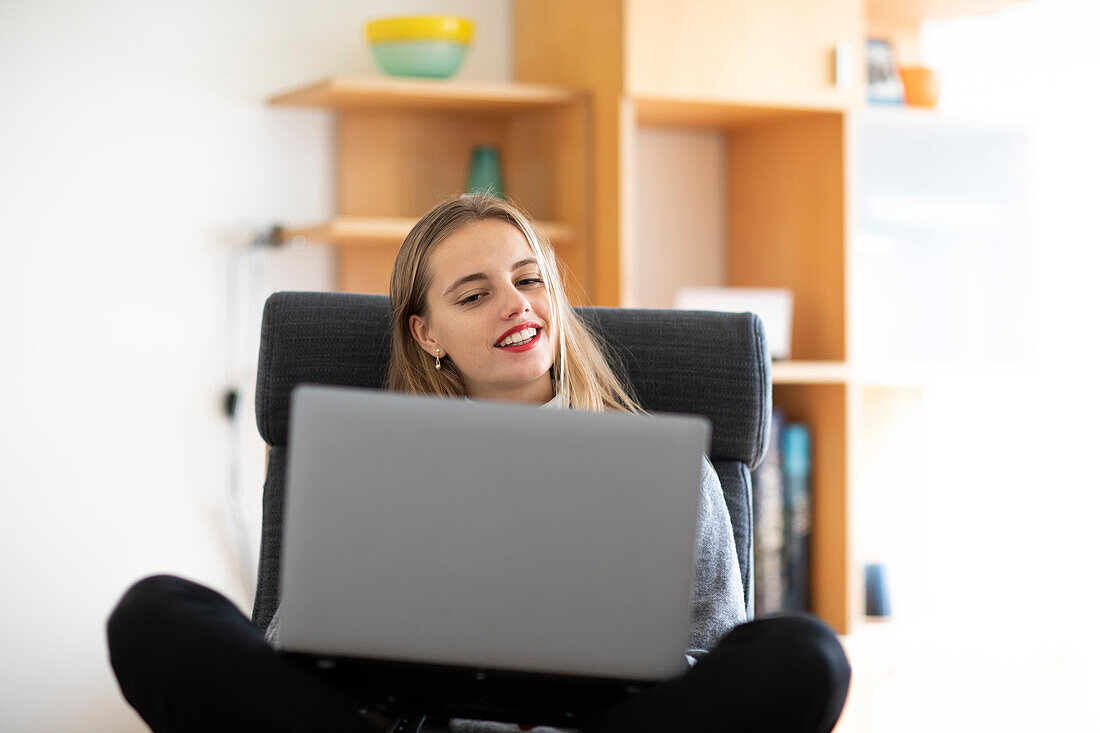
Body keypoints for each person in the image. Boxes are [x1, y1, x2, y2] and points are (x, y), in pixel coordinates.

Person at [107, 194, 851, 733]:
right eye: (474, 293)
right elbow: (288, 653)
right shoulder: (374, 462)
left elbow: (714, 648)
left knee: (805, 652)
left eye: (530, 280)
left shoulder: (663, 466)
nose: (515, 304)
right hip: (414, 725)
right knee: (157, 615)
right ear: (427, 333)